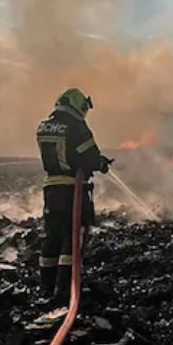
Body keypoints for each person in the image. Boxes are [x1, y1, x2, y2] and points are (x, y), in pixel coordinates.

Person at [36, 88, 113, 304]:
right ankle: (65, 290)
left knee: (52, 238)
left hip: (51, 189)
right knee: (73, 239)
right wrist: (101, 164)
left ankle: (47, 287)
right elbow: (89, 157)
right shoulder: (76, 126)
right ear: (77, 104)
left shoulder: (45, 125)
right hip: (73, 191)